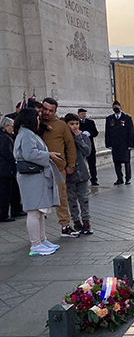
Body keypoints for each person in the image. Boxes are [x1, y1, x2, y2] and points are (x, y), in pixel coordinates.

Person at [13, 108, 62, 255]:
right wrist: (48, 154)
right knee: (34, 211)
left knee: (40, 211)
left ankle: (41, 239)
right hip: (31, 177)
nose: (39, 121)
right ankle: (35, 244)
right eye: (37, 118)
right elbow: (30, 154)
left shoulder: (28, 133)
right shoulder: (26, 134)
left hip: (35, 177)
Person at [40, 97, 79, 237]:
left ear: (55, 111)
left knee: (62, 198)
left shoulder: (61, 126)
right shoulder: (34, 123)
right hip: (38, 170)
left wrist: (71, 164)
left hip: (57, 169)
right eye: (45, 109)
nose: (47, 113)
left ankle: (65, 226)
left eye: (51, 110)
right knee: (39, 201)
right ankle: (38, 232)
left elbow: (70, 146)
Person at [64, 113, 93, 234]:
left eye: (77, 123)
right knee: (72, 199)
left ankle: (86, 220)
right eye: (72, 124)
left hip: (82, 172)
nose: (75, 126)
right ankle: (76, 221)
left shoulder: (82, 136)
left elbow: (87, 151)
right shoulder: (65, 138)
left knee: (84, 198)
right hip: (70, 173)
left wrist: (79, 138)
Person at [105, 101, 134, 185]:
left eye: (117, 107)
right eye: (114, 107)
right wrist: (108, 144)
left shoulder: (127, 118)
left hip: (124, 144)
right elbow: (107, 132)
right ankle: (119, 178)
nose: (116, 108)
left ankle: (128, 178)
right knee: (116, 162)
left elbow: (131, 131)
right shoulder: (110, 119)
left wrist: (130, 144)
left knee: (126, 162)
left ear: (120, 108)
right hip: (115, 145)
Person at [0, 117, 18, 222]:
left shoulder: (7, 136)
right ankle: (3, 215)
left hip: (5, 170)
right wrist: (14, 162)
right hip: (4, 170)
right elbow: (7, 153)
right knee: (4, 193)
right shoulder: (4, 138)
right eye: (11, 126)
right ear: (6, 126)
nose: (13, 128)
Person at [78, 108, 99, 185]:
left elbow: (96, 132)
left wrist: (90, 133)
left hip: (90, 146)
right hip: (80, 146)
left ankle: (94, 179)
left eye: (84, 114)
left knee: (92, 164)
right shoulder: (77, 123)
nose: (84, 115)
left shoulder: (90, 122)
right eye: (82, 114)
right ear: (78, 114)